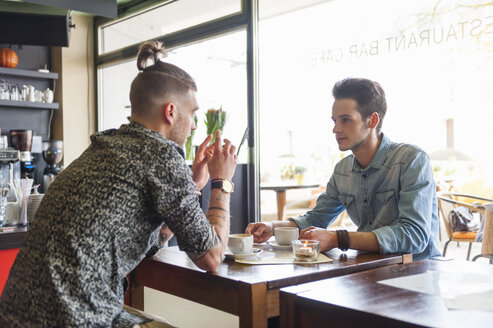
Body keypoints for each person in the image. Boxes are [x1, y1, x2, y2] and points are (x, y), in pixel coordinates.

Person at [0, 41, 237, 327]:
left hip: (16, 315)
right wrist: (221, 182)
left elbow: (144, 243)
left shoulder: (105, 145)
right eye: (193, 113)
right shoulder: (161, 154)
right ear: (171, 112)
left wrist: (193, 186)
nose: (195, 125)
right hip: (75, 319)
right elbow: (212, 257)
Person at [247, 78, 440, 261]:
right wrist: (273, 227)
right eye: (334, 121)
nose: (336, 129)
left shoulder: (411, 160)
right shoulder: (343, 170)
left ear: (372, 121)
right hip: (371, 268)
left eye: (345, 120)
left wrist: (338, 238)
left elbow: (414, 236)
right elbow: (316, 217)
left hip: (420, 269)